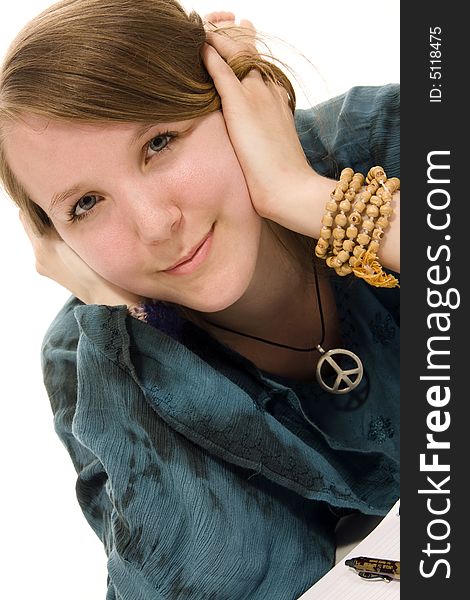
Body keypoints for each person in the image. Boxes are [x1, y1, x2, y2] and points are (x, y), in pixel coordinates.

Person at [0, 1, 400, 598]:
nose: (156, 225)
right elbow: (215, 580)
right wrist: (127, 323)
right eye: (84, 204)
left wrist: (303, 196)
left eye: (159, 142)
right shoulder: (95, 356)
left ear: (234, 103)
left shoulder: (379, 143)